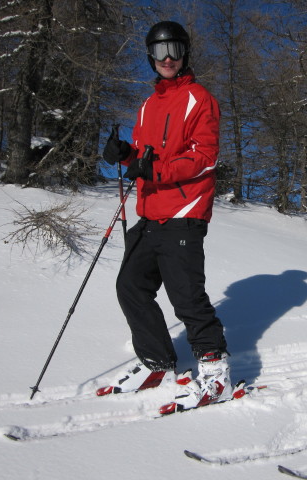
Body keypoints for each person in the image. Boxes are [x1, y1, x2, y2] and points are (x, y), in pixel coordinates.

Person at [100, 21, 231, 413]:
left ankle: (216, 372)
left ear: (185, 53)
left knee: (187, 297)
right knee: (130, 286)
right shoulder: (147, 105)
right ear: (150, 57)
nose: (168, 58)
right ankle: (157, 361)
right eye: (159, 52)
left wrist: (152, 170)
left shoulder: (199, 99)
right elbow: (144, 158)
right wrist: (124, 153)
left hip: (184, 213)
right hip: (151, 214)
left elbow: (204, 158)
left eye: (174, 49)